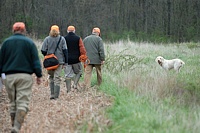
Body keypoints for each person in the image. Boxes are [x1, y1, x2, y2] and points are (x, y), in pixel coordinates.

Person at [0, 22, 42, 133]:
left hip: (9, 77)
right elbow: (36, 61)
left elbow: (1, 61)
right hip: (25, 76)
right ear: (24, 31)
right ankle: (17, 128)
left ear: (13, 30)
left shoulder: (6, 43)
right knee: (22, 103)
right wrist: (38, 75)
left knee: (13, 102)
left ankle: (13, 124)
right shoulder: (29, 43)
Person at [41, 25, 68, 99]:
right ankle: (56, 96)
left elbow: (43, 50)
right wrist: (66, 62)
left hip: (49, 62)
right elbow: (65, 51)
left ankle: (52, 94)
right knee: (57, 78)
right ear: (58, 31)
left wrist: (47, 55)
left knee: (51, 77)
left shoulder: (47, 39)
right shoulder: (62, 39)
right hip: (59, 61)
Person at [64, 25, 87, 92]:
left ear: (67, 31)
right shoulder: (78, 38)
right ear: (74, 31)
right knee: (79, 72)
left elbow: (62, 49)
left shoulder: (64, 38)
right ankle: (75, 84)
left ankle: (68, 90)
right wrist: (84, 56)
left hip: (67, 60)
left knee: (67, 75)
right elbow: (82, 48)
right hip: (76, 60)